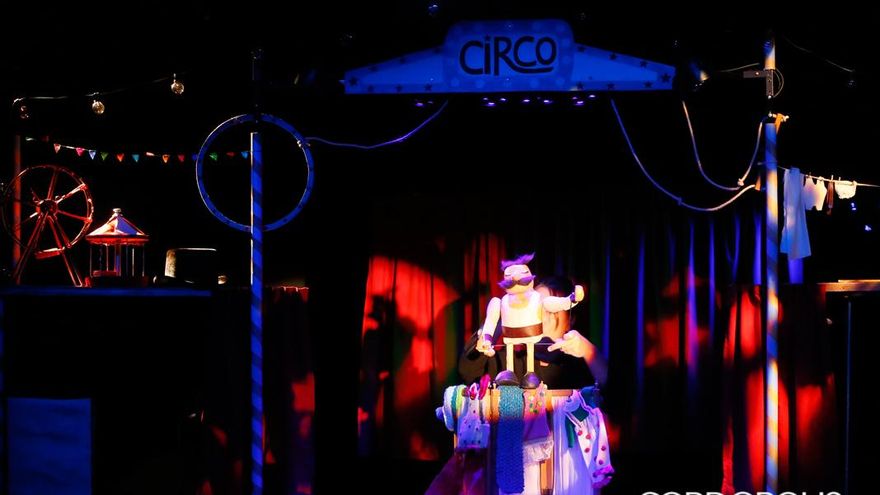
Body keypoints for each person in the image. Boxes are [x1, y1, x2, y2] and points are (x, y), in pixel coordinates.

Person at [459, 274, 607, 389]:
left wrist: (587, 350)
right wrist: (494, 324)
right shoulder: (510, 362)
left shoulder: (578, 367)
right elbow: (468, 371)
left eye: (549, 311)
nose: (539, 316)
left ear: (570, 320)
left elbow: (612, 392)